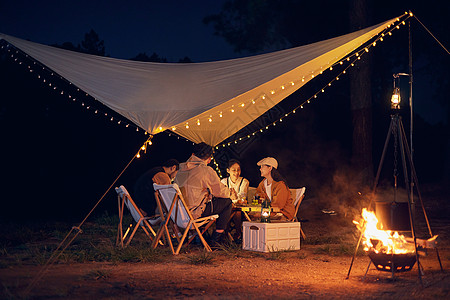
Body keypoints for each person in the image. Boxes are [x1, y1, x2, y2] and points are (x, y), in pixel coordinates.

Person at [175, 142, 233, 244]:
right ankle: (216, 239)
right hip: (194, 214)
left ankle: (199, 235)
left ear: (193, 155)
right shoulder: (205, 170)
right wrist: (230, 192)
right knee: (227, 202)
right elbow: (221, 192)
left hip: (178, 214)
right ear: (209, 159)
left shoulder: (180, 170)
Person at [221, 159, 249, 242]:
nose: (236, 172)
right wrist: (232, 197)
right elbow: (223, 197)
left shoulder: (244, 181)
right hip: (227, 208)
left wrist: (232, 197)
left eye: (238, 170)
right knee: (226, 210)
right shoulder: (223, 182)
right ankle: (225, 234)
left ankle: (238, 232)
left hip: (240, 209)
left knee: (237, 211)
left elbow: (242, 197)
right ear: (228, 170)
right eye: (234, 170)